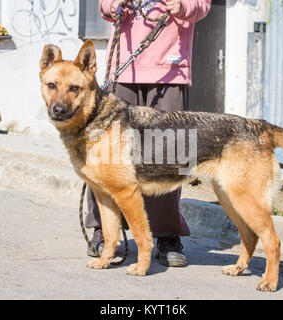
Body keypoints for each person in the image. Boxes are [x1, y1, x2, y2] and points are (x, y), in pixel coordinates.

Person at [85, 0, 211, 267]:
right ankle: (105, 232)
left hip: (170, 71)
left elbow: (201, 6)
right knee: (107, 158)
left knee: (169, 156)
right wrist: (113, 4)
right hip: (122, 69)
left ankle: (167, 235)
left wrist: (183, 6)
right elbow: (104, 7)